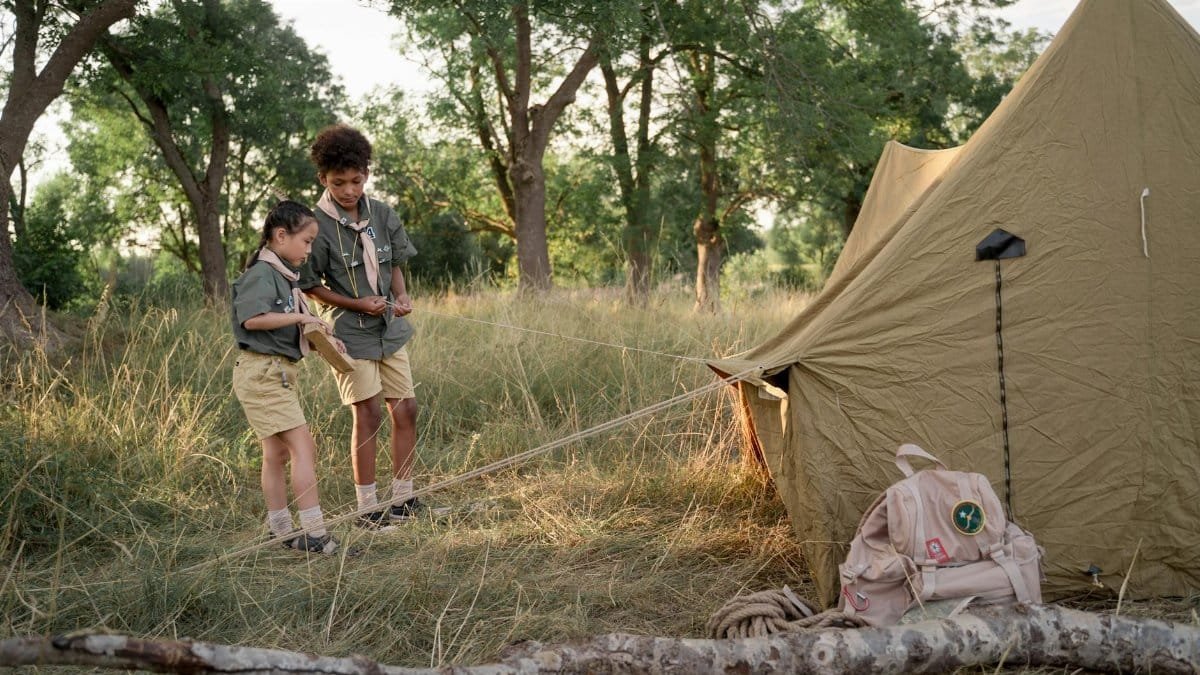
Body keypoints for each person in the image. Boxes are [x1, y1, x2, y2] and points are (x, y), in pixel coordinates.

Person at [299, 123, 424, 529]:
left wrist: (400, 297)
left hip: (389, 328)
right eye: (339, 183)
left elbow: (394, 265)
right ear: (323, 179)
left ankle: (403, 500)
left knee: (406, 408)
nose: (349, 190)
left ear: (366, 174)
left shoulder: (383, 213)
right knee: (368, 413)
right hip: (349, 332)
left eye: (356, 180)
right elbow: (311, 285)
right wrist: (355, 303)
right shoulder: (314, 225)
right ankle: (367, 510)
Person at [231, 200, 344, 554]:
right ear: (281, 236)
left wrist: (324, 334)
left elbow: (298, 322)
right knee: (303, 447)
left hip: (275, 371)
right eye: (306, 241)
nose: (309, 250)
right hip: (263, 373)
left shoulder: (283, 276)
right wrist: (299, 319)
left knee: (276, 454)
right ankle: (314, 533)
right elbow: (252, 319)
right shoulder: (262, 275)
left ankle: (280, 530)